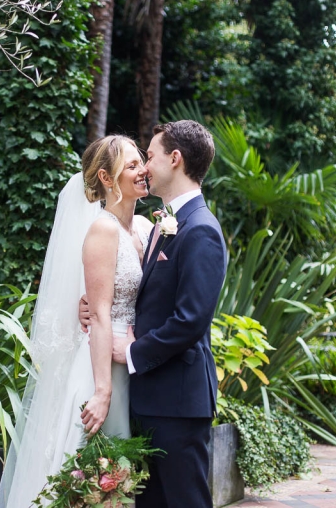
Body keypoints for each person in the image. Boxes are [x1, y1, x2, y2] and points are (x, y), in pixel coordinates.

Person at [0, 135, 151, 507]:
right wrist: (102, 391)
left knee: (122, 473)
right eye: (131, 165)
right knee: (89, 471)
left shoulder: (146, 227)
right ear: (107, 178)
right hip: (101, 364)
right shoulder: (103, 229)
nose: (143, 170)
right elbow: (98, 313)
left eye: (141, 161)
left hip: (132, 358)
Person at [109, 120, 226, 507]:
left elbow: (190, 320)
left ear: (175, 159)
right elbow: (148, 297)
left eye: (151, 156)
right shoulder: (165, 224)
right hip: (152, 397)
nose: (145, 166)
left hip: (178, 400)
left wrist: (131, 353)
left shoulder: (201, 229)